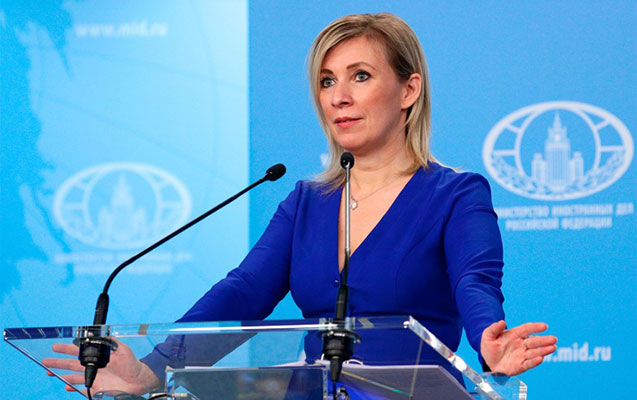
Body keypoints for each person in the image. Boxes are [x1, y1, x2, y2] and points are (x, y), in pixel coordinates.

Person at [43, 12, 557, 396]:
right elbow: (242, 293)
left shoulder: (456, 194)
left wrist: (488, 340)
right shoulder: (307, 201)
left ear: (409, 90)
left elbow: (474, 282)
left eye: (360, 76)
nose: (338, 96)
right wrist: (153, 367)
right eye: (327, 81)